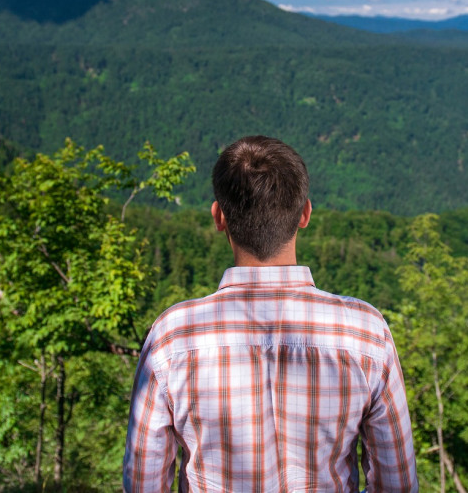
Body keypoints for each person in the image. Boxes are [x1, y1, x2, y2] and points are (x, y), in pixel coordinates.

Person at [123, 135, 417, 492]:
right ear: (305, 213)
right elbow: (397, 484)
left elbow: (143, 482)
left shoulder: (173, 337)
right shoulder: (366, 332)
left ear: (219, 217)